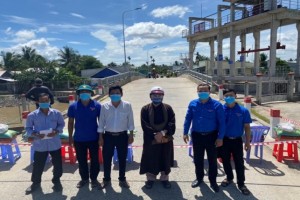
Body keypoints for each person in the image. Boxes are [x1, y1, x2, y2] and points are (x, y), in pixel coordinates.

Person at [183, 83, 225, 193]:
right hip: (197, 136)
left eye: (205, 91)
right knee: (198, 159)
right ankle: (199, 178)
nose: (202, 93)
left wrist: (220, 137)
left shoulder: (217, 105)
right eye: (200, 91)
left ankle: (213, 181)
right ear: (197, 92)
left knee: (212, 160)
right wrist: (185, 132)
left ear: (209, 92)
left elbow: (222, 123)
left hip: (212, 136)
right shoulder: (193, 104)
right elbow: (188, 119)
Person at [25, 93, 65, 194]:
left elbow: (61, 124)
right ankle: (35, 183)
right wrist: (36, 134)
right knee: (38, 165)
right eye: (42, 101)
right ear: (38, 102)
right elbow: (28, 128)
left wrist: (56, 131)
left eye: (46, 101)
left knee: (58, 165)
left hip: (54, 144)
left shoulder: (57, 113)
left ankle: (56, 181)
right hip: (40, 144)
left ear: (49, 101)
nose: (44, 103)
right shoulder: (32, 115)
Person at [98, 85, 134, 189]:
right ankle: (106, 179)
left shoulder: (127, 105)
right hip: (108, 136)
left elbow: (130, 121)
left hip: (122, 136)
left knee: (122, 158)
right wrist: (100, 137)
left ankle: (122, 179)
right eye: (112, 93)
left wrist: (131, 135)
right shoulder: (104, 106)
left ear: (121, 94)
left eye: (117, 93)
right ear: (109, 95)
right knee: (107, 158)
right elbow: (101, 123)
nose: (115, 95)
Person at [140, 86, 176, 189]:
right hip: (150, 138)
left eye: (159, 95)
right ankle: (151, 178)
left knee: (165, 157)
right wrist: (155, 135)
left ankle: (164, 178)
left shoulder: (168, 108)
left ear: (163, 96)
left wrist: (162, 133)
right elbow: (145, 124)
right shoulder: (145, 109)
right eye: (154, 95)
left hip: (165, 138)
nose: (157, 97)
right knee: (151, 157)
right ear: (150, 96)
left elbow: (172, 122)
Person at [67, 84, 101, 188]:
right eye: (82, 92)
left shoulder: (97, 105)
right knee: (81, 161)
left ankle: (94, 179)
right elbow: (70, 122)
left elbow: (101, 122)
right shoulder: (73, 106)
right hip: (79, 139)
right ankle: (84, 179)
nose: (84, 94)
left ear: (91, 93)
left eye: (87, 92)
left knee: (95, 160)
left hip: (94, 138)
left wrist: (101, 137)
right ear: (78, 94)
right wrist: (70, 137)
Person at [219, 89, 251, 195]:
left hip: (237, 140)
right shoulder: (220, 110)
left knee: (239, 162)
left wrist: (247, 141)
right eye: (226, 96)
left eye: (231, 95)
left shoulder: (243, 111)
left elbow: (247, 127)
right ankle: (229, 178)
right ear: (224, 97)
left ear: (235, 96)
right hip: (224, 140)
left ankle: (241, 183)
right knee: (225, 160)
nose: (228, 97)